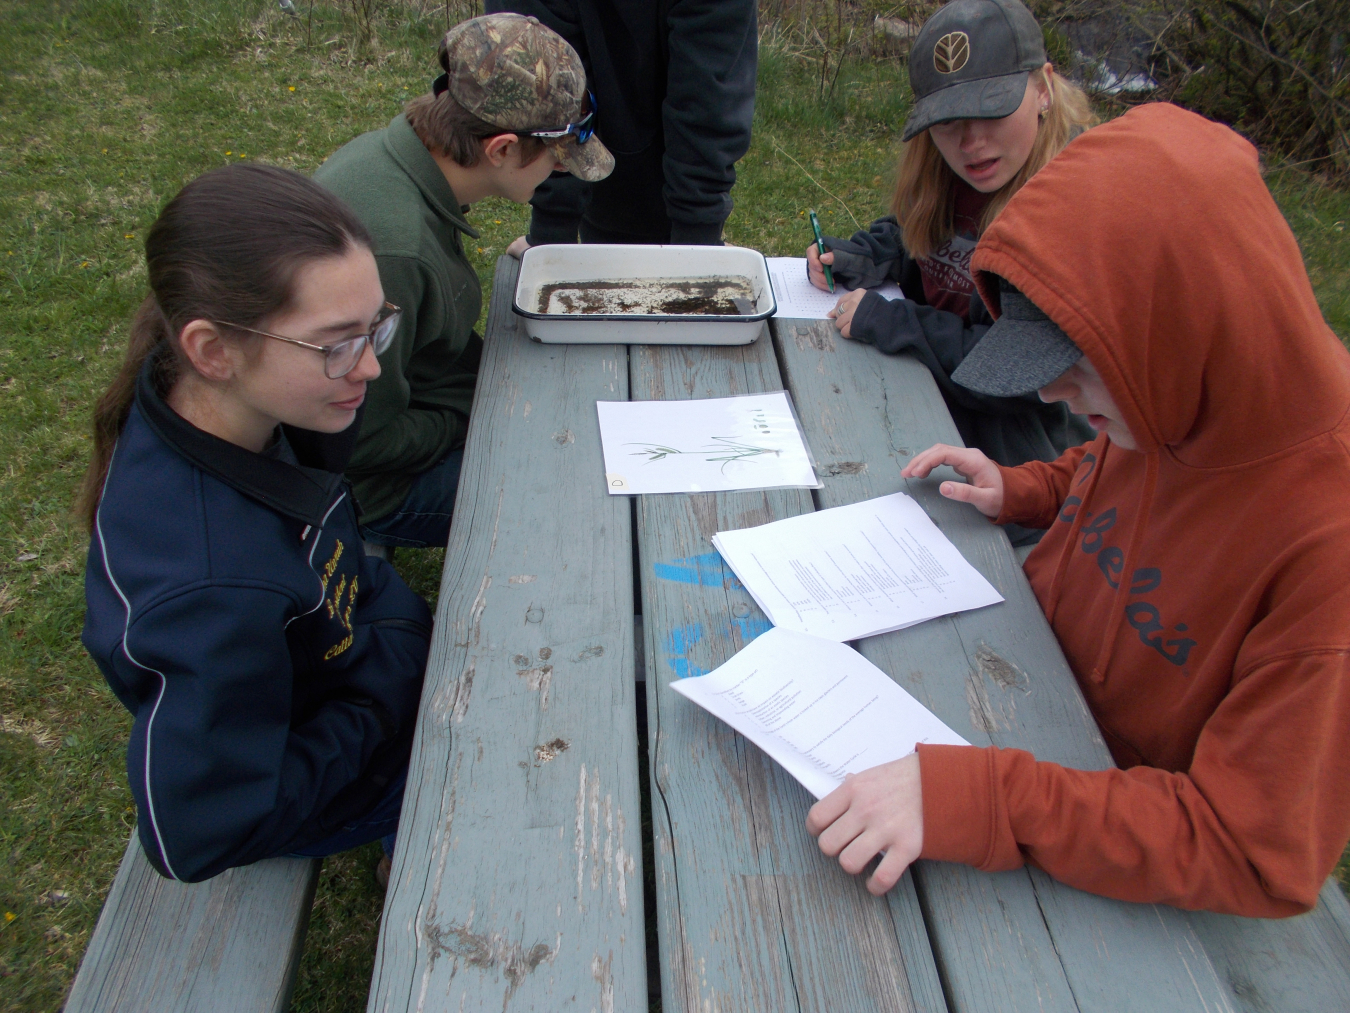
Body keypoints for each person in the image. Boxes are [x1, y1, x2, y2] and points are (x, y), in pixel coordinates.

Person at [805, 103, 1350, 917]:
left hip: (1111, 843)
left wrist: (986, 797)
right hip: (1020, 679)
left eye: (1076, 366)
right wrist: (1027, 485)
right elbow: (1117, 465)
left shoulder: (1326, 553)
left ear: (1188, 329)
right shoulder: (1189, 392)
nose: (1051, 392)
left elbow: (1248, 849)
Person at [80, 164, 432, 885]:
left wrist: (394, 640)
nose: (367, 367)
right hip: (323, 769)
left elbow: (347, 569)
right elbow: (201, 830)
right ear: (212, 350)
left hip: (349, 671)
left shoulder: (273, 408)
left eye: (375, 328)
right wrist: (385, 695)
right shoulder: (207, 587)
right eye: (336, 341)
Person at [314, 13, 614, 552]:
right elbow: (357, 443)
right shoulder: (395, 254)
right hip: (374, 490)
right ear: (501, 149)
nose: (561, 172)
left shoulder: (400, 163)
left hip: (418, 404)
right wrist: (476, 413)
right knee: (587, 481)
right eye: (556, 157)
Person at [807, 0, 1096, 546]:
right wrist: (865, 257)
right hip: (925, 408)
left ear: (1044, 88)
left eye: (991, 110)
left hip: (1013, 467)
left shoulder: (1067, 215)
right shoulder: (961, 174)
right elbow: (913, 232)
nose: (969, 142)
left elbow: (1009, 377)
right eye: (947, 122)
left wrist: (894, 321)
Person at [487, 0, 758, 253]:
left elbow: (707, 94)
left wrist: (697, 245)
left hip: (661, 177)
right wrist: (551, 237)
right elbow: (541, 75)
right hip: (603, 186)